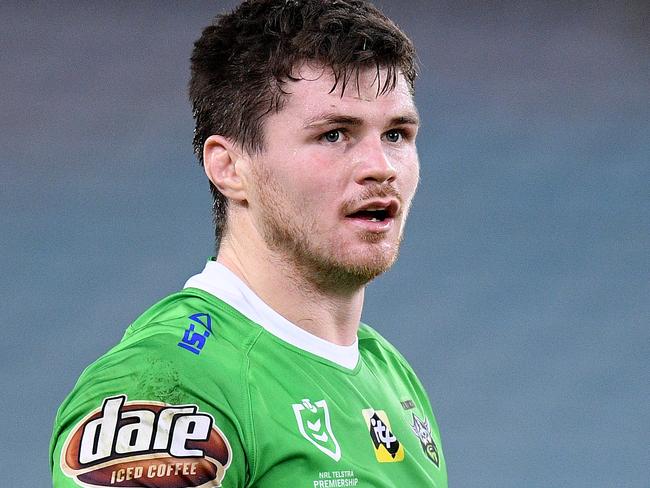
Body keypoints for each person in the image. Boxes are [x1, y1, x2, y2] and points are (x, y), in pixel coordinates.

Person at [50, 0, 447, 486]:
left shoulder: (389, 375)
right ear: (229, 168)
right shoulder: (168, 385)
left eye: (396, 134)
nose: (381, 166)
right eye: (334, 134)